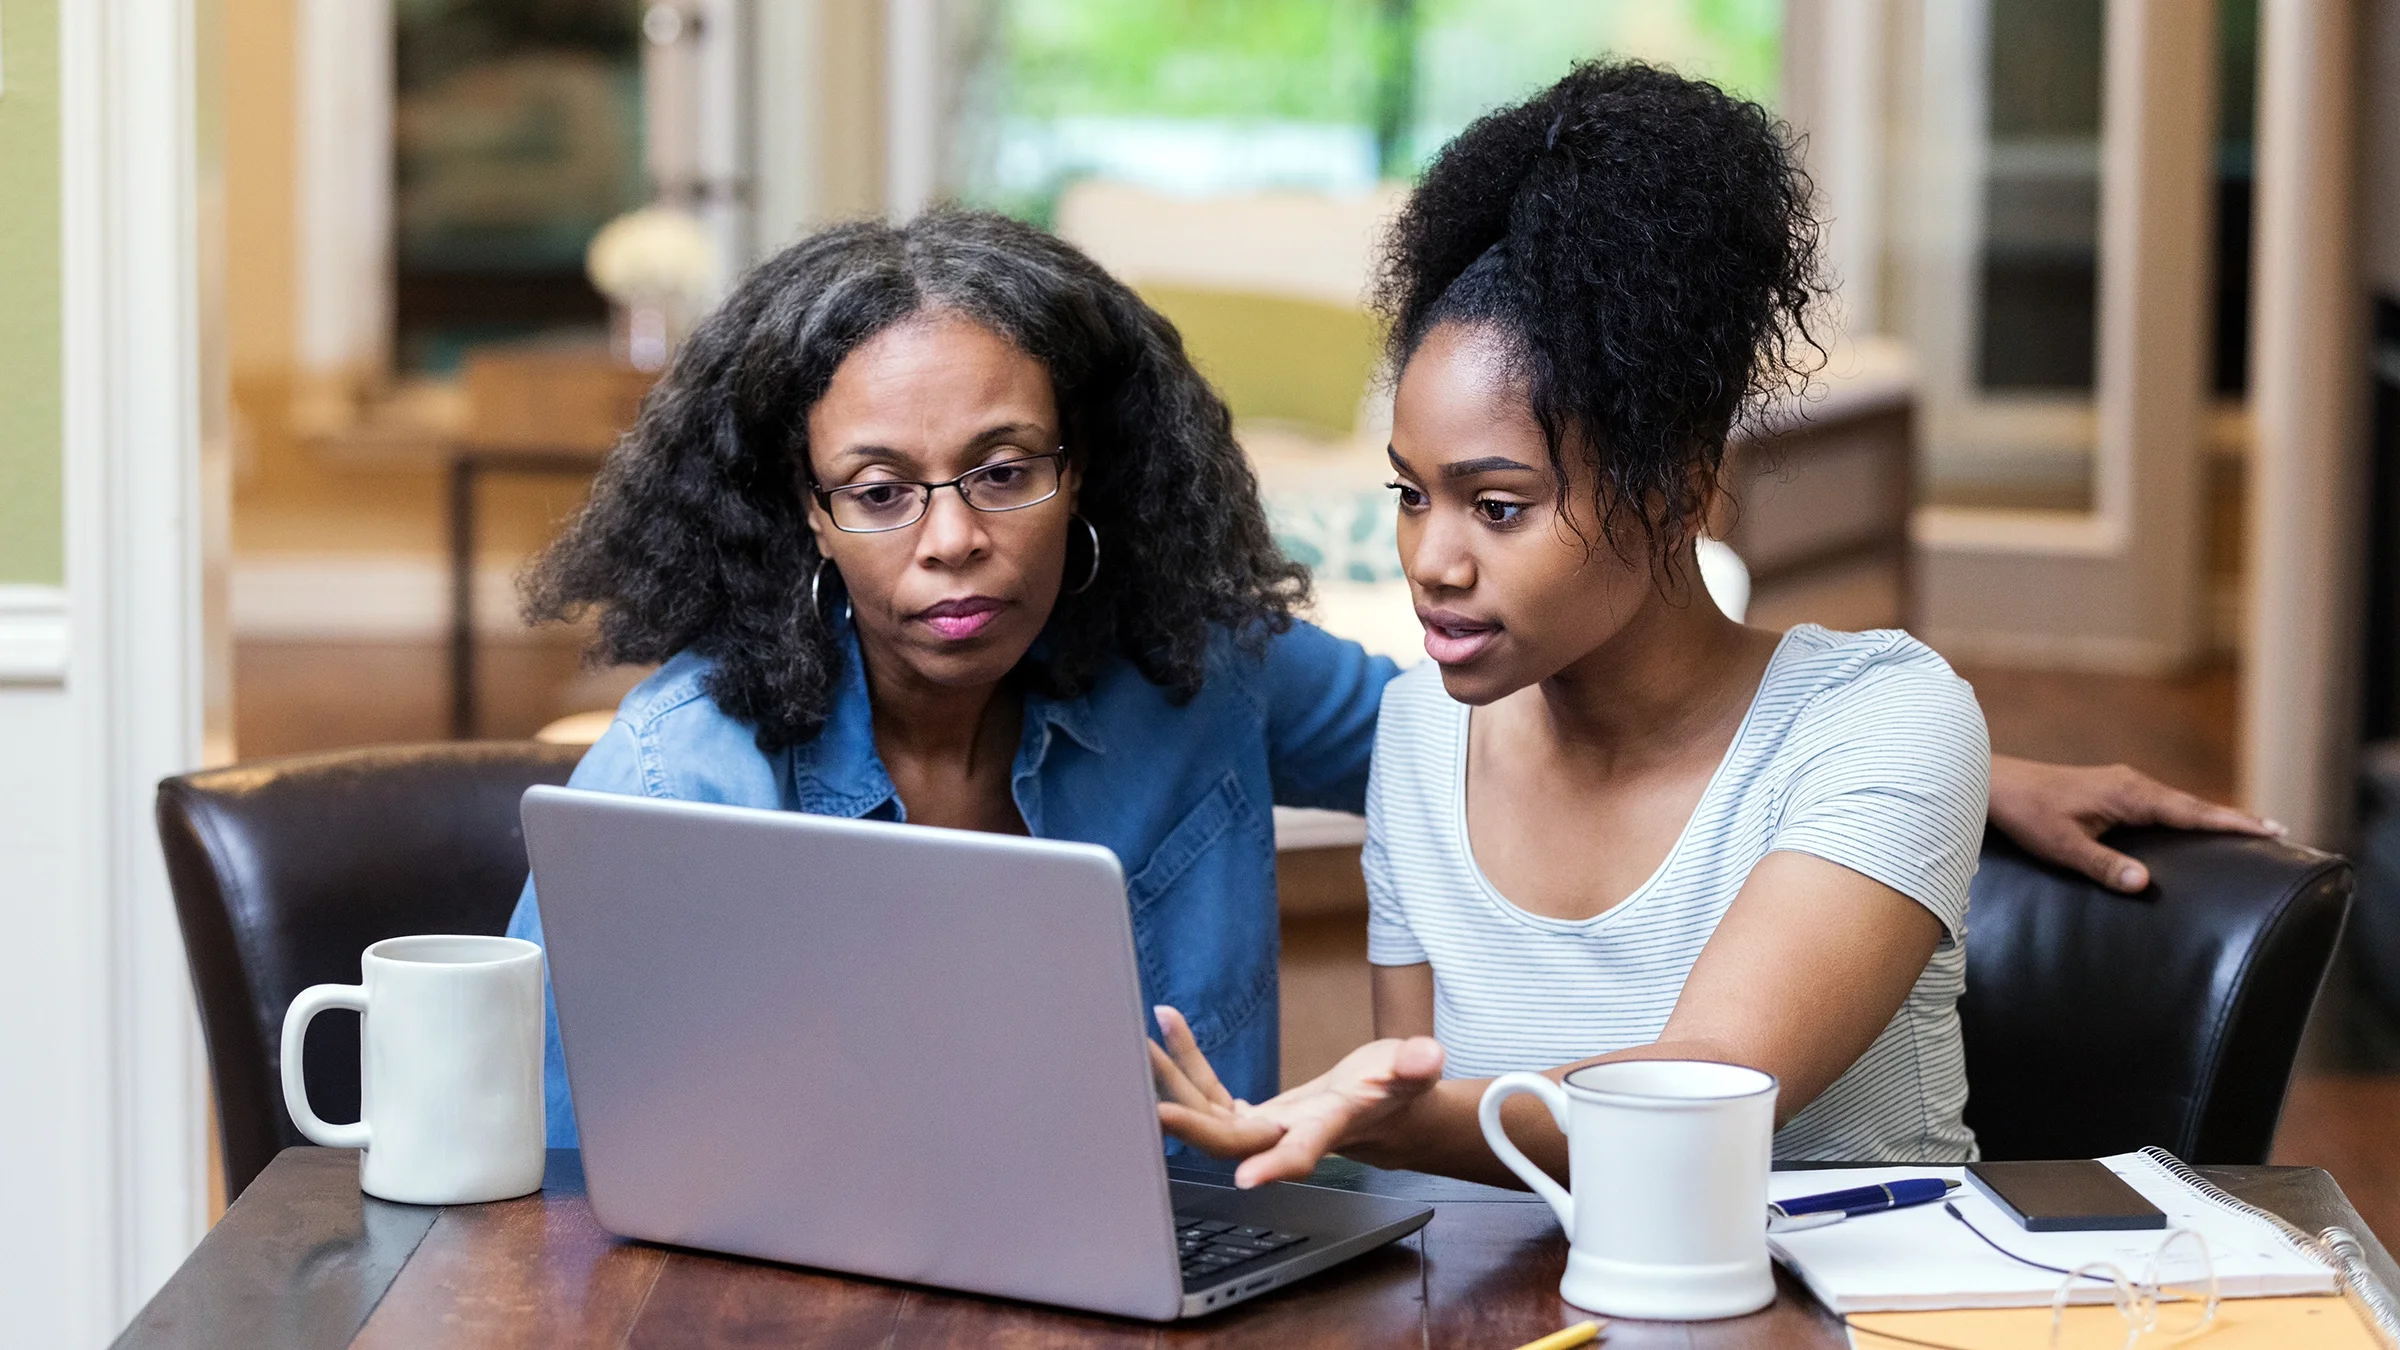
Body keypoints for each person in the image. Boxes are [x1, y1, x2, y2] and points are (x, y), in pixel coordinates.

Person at [509, 207, 2273, 1150]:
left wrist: (1938, 769)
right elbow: (565, 1167)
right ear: (804, 514)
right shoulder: (685, 778)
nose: (953, 541)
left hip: (1203, 1289)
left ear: (1085, 472)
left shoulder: (1192, 671)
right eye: (882, 492)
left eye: (1006, 469)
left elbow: (1520, 714)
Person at [1150, 61, 2269, 1184]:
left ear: (1679, 489)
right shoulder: (1420, 733)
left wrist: (1390, 1121)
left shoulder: (1884, 719)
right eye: (1410, 494)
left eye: (1498, 507)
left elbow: (1720, 1086)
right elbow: (1437, 1175)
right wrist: (1395, 1128)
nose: (1431, 562)